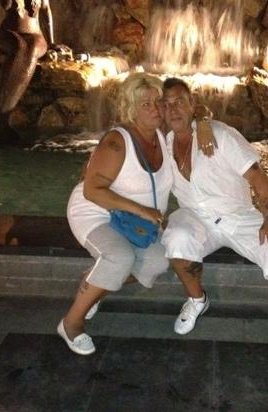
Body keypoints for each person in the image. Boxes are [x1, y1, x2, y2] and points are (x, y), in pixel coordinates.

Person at [160, 77, 268, 374]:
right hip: (195, 217)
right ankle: (197, 300)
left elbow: (257, 176)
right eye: (167, 104)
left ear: (192, 104)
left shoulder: (219, 134)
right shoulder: (163, 145)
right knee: (175, 236)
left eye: (180, 102)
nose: (174, 109)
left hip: (238, 215)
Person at [58, 72, 173, 355]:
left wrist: (204, 123)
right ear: (131, 109)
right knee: (119, 258)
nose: (155, 109)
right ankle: (71, 324)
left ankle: (95, 284)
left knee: (157, 261)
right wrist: (143, 210)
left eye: (158, 102)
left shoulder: (162, 136)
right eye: (145, 104)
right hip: (96, 211)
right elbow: (92, 191)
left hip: (135, 221)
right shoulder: (117, 142)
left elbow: (193, 115)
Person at [0, 0, 56, 143]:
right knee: (20, 47)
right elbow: (6, 5)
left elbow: (47, 12)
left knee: (32, 47)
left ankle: (0, 119)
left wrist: (52, 43)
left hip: (36, 35)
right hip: (11, 34)